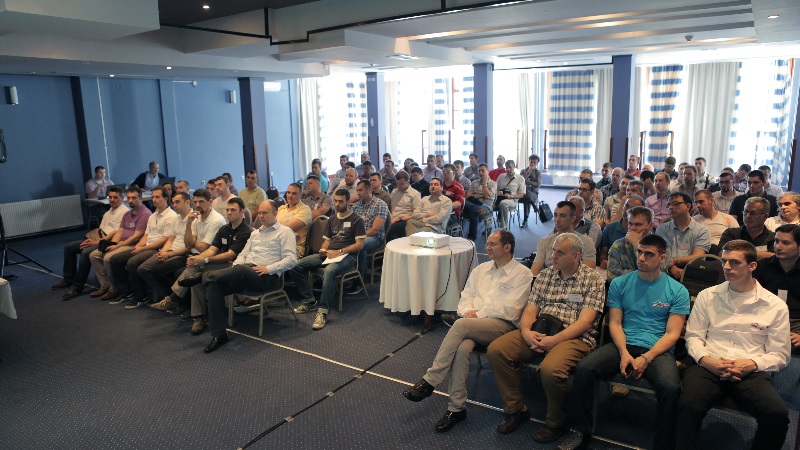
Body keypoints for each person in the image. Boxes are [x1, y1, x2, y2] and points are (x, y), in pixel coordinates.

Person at [401, 231, 533, 432]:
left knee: (460, 326)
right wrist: (466, 312)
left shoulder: (522, 274)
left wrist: (476, 315)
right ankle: (456, 408)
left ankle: (430, 380)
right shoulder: (480, 270)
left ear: (507, 247)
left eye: (493, 244)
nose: (487, 247)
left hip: (503, 326)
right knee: (462, 348)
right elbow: (466, 297)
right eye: (487, 243)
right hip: (474, 324)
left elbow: (511, 310)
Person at [568, 234, 688, 450]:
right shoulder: (620, 283)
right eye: (639, 252)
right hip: (624, 342)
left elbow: (672, 334)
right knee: (584, 369)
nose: (641, 258)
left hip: (657, 349)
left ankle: (663, 444)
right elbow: (614, 323)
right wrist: (624, 352)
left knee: (670, 387)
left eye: (649, 254)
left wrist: (646, 358)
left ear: (662, 258)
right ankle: (582, 431)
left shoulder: (677, 290)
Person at [487, 233, 605, 443]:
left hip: (574, 336)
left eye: (560, 252)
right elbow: (530, 310)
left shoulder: (593, 280)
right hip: (541, 329)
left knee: (550, 370)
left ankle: (557, 422)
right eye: (553, 251)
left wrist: (554, 340)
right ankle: (516, 409)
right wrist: (526, 332)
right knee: (498, 351)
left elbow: (585, 322)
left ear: (576, 256)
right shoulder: (545, 275)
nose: (553, 256)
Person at [676, 240, 790, 450]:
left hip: (750, 369)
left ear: (752, 266)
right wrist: (706, 360)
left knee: (777, 414)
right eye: (724, 261)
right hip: (710, 363)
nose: (726, 267)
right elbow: (693, 337)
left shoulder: (775, 306)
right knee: (687, 406)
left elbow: (780, 354)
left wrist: (751, 364)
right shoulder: (707, 295)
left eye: (735, 262)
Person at [200, 199, 297, 353]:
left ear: (275, 214)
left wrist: (268, 268)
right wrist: (236, 267)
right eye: (260, 213)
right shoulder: (255, 233)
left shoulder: (285, 232)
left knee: (241, 269)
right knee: (214, 285)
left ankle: (202, 277)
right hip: (245, 273)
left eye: (265, 213)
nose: (261, 216)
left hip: (267, 277)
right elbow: (243, 254)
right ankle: (219, 335)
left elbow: (291, 260)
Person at [150, 197, 252, 335]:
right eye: (227, 210)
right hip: (222, 264)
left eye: (233, 210)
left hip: (236, 267)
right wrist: (198, 258)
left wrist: (205, 260)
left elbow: (230, 255)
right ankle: (198, 317)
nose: (229, 213)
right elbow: (212, 249)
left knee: (196, 270)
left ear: (242, 212)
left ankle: (173, 298)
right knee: (195, 275)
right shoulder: (224, 229)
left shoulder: (246, 231)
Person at [290, 189, 366, 330]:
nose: (337, 204)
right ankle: (309, 300)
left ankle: (323, 311)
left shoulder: (357, 219)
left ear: (348, 202)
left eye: (340, 201)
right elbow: (327, 241)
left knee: (329, 271)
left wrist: (340, 252)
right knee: (296, 265)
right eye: (335, 201)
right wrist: (323, 249)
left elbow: (359, 245)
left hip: (348, 257)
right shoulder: (332, 219)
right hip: (330, 254)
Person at [54, 186, 128, 300]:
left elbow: (117, 233)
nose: (112, 200)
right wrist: (92, 239)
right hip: (99, 238)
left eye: (115, 197)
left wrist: (97, 242)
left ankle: (77, 287)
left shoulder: (124, 212)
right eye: (110, 197)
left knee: (86, 252)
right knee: (69, 247)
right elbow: (101, 229)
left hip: (108, 242)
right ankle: (68, 279)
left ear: (122, 198)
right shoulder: (109, 211)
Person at [110, 186, 177, 307]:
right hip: (146, 246)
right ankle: (126, 291)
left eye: (157, 197)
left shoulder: (171, 216)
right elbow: (146, 235)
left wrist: (142, 248)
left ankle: (140, 296)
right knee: (115, 259)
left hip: (157, 248)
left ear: (166, 198)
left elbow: (164, 240)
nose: (154, 199)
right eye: (153, 197)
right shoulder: (153, 215)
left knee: (132, 262)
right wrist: (138, 246)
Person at [133, 192, 195, 309]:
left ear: (187, 202)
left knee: (158, 270)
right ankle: (167, 297)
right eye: (173, 202)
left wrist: (168, 254)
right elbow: (170, 239)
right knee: (142, 269)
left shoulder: (193, 219)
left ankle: (170, 299)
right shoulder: (176, 218)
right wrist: (163, 252)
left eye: (177, 202)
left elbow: (189, 246)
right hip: (170, 250)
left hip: (182, 253)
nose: (174, 205)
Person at [88, 186, 152, 300]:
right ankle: (106, 285)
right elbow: (120, 231)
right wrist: (112, 244)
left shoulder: (144, 213)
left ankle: (114, 289)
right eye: (129, 198)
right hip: (122, 242)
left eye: (134, 198)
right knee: (94, 255)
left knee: (108, 257)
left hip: (133, 244)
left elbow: (136, 237)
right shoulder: (127, 214)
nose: (130, 200)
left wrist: (117, 246)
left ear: (140, 198)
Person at [754, 224, 800, 354]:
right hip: (765, 318)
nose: (778, 247)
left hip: (796, 321)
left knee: (787, 346)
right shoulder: (762, 267)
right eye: (776, 241)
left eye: (786, 243)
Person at [530, 201, 597, 276]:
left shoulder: (586, 242)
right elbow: (535, 271)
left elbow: (588, 273)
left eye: (563, 216)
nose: (557, 220)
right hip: (548, 280)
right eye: (555, 215)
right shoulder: (544, 242)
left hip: (575, 281)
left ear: (573, 218)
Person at [655, 192, 711, 280]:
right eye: (669, 205)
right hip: (666, 273)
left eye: (676, 204)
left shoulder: (702, 230)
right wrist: (671, 268)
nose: (671, 207)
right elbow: (661, 255)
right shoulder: (662, 229)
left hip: (693, 273)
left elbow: (697, 257)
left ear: (688, 206)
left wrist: (675, 260)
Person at [607, 206, 661, 281]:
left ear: (650, 226)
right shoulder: (618, 245)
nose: (632, 228)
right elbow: (611, 275)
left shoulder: (661, 245)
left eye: (638, 224)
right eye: (630, 224)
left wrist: (637, 246)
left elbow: (658, 274)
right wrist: (642, 276)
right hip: (625, 288)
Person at [350, 180, 388, 276]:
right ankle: (346, 272)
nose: (358, 193)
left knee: (361, 244)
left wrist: (357, 237)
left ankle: (359, 277)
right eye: (357, 191)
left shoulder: (380, 204)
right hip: (357, 236)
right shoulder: (356, 206)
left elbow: (375, 230)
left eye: (361, 190)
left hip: (375, 237)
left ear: (369, 190)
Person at [598, 195, 645, 270]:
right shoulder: (610, 228)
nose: (627, 210)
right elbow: (603, 255)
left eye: (633, 208)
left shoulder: (645, 232)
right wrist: (604, 261)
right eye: (627, 206)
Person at [462, 164, 496, 241]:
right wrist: (481, 195)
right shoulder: (474, 183)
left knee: (472, 211)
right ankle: (471, 238)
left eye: (482, 171)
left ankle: (470, 237)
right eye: (479, 171)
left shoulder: (493, 184)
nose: (480, 173)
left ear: (488, 171)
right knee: (463, 201)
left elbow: (487, 196)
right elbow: (468, 196)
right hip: (473, 203)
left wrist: (484, 184)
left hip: (486, 206)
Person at [277, 183, 312, 258]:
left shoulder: (305, 210)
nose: (290, 195)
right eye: (288, 192)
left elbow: (286, 229)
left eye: (294, 193)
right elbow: (268, 225)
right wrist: (291, 234)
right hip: (277, 244)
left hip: (293, 249)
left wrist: (274, 227)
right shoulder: (281, 208)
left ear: (301, 195)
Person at [386, 171, 421, 242]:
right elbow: (391, 207)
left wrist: (399, 219)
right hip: (393, 218)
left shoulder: (415, 194)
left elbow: (415, 214)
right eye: (397, 183)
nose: (399, 186)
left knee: (391, 228)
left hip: (405, 220)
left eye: (402, 184)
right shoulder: (394, 191)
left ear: (408, 182)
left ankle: (395, 247)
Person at [494, 160, 526, 229]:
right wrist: (498, 192)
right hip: (499, 198)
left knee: (503, 203)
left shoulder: (520, 179)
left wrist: (511, 196)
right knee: (487, 201)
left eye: (510, 167)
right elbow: (495, 189)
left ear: (514, 167)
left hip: (512, 200)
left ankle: (503, 227)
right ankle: (487, 226)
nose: (508, 169)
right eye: (507, 167)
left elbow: (521, 195)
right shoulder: (501, 176)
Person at [519, 155, 542, 228]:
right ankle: (533, 205)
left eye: (534, 162)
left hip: (533, 193)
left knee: (527, 196)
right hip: (522, 193)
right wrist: (528, 173)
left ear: (537, 163)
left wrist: (527, 182)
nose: (532, 164)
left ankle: (525, 220)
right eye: (531, 162)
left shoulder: (538, 173)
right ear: (529, 161)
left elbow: (538, 184)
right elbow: (520, 181)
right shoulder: (523, 171)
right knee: (526, 193)